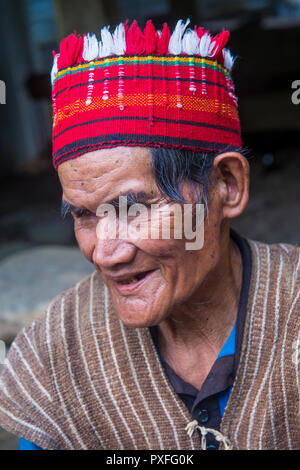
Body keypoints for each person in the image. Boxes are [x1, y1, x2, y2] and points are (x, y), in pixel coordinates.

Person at [0, 19, 299, 451]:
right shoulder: (54, 357)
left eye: (132, 209)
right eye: (84, 215)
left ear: (227, 185)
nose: (104, 252)